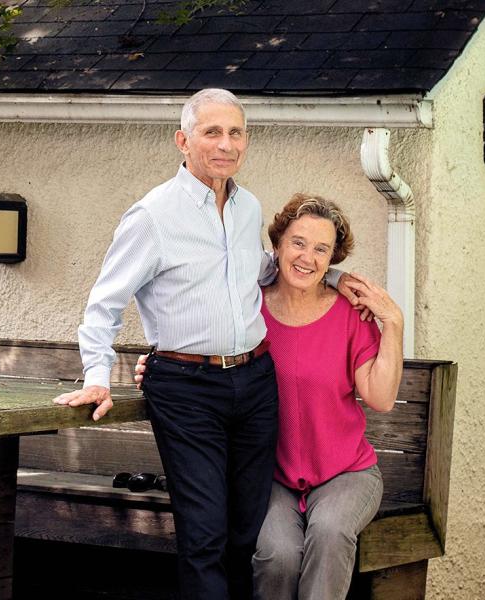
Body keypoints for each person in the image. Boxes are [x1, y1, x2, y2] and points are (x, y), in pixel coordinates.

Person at [52, 89, 361, 600]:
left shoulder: (248, 208)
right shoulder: (153, 216)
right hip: (186, 389)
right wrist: (97, 377)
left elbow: (265, 269)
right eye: (211, 132)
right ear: (184, 140)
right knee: (204, 535)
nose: (225, 143)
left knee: (249, 534)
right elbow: (103, 305)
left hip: (256, 381)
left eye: (235, 132)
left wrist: (336, 275)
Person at [250, 193, 403, 600]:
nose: (307, 257)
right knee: (277, 553)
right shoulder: (250, 310)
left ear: (333, 258)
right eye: (298, 242)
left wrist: (395, 323)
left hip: (347, 474)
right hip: (274, 478)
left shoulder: (350, 314)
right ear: (278, 245)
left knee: (331, 532)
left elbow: (381, 397)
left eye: (322, 249)